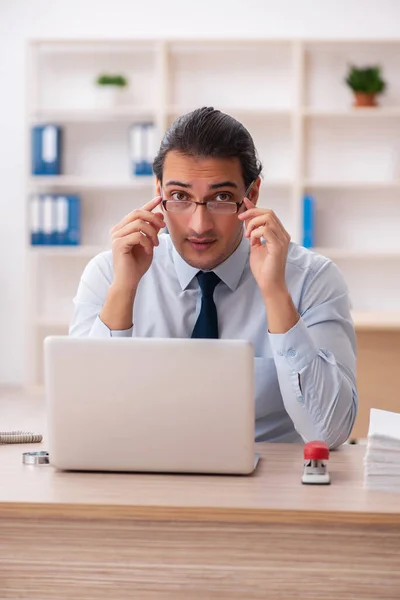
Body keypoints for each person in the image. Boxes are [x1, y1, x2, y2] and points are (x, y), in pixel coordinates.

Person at [70, 107, 357, 447]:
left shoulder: (312, 279)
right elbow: (82, 421)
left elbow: (330, 433)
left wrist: (276, 294)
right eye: (179, 197)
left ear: (251, 195)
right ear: (158, 191)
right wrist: (123, 291)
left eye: (221, 198)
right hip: (145, 476)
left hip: (271, 486)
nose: (199, 225)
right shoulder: (109, 272)